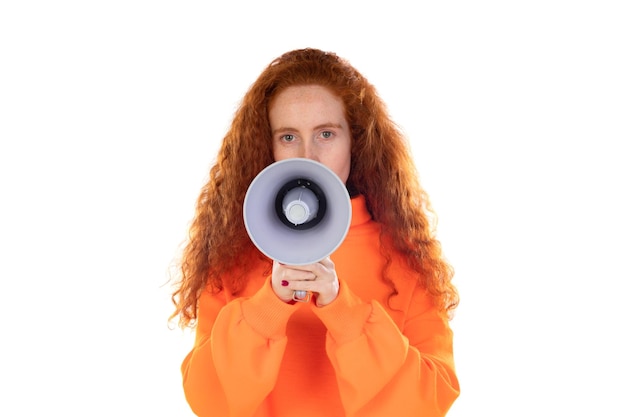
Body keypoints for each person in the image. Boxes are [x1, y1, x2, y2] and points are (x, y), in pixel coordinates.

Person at [169, 47, 460, 417]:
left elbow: (429, 402)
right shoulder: (233, 255)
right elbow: (210, 402)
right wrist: (268, 306)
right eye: (288, 137)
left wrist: (343, 310)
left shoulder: (404, 257)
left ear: (355, 142)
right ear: (267, 146)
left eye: (326, 133)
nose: (307, 155)